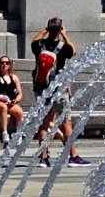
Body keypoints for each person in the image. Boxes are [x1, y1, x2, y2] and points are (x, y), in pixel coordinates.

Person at [31, 17, 87, 166]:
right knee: (66, 123)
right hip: (59, 90)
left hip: (42, 90)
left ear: (48, 29)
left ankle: (43, 157)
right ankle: (73, 156)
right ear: (60, 29)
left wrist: (44, 31)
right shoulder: (63, 47)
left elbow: (33, 41)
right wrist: (65, 35)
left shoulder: (39, 45)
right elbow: (73, 51)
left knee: (44, 124)